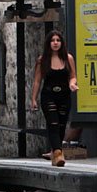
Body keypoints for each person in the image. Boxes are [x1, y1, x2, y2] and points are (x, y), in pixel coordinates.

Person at [31, 30, 78, 167]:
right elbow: (37, 81)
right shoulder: (42, 60)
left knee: (62, 125)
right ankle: (58, 154)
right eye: (53, 40)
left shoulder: (68, 58)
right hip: (48, 95)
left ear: (62, 43)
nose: (55, 43)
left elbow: (73, 76)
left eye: (58, 40)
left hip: (64, 96)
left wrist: (72, 84)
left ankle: (55, 151)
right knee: (53, 124)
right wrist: (33, 99)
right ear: (48, 43)